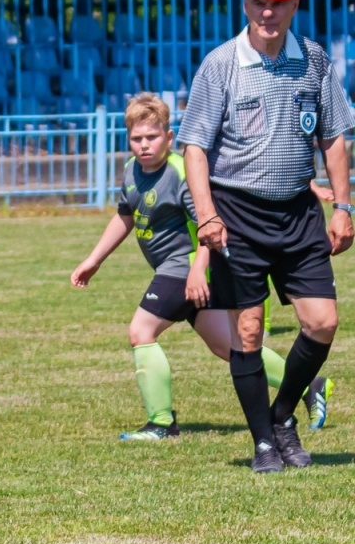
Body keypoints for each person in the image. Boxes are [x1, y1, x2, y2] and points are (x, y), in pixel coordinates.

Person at [71, 93, 327, 440]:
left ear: (169, 137)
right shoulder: (131, 170)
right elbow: (125, 216)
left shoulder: (181, 174)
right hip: (179, 271)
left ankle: (161, 423)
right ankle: (309, 385)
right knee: (229, 346)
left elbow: (211, 225)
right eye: (136, 138)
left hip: (186, 267)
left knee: (141, 332)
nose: (144, 145)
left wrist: (197, 270)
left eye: (152, 137)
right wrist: (94, 260)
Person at [179, 0, 351, 472]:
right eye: (258, 2)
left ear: (295, 6)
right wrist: (207, 217)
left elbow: (333, 137)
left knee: (323, 322)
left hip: (299, 211)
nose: (268, 13)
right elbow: (194, 148)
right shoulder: (220, 64)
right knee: (249, 331)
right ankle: (263, 443)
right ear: (245, 4)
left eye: (278, 4)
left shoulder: (314, 60)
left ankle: (282, 418)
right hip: (237, 213)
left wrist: (343, 206)